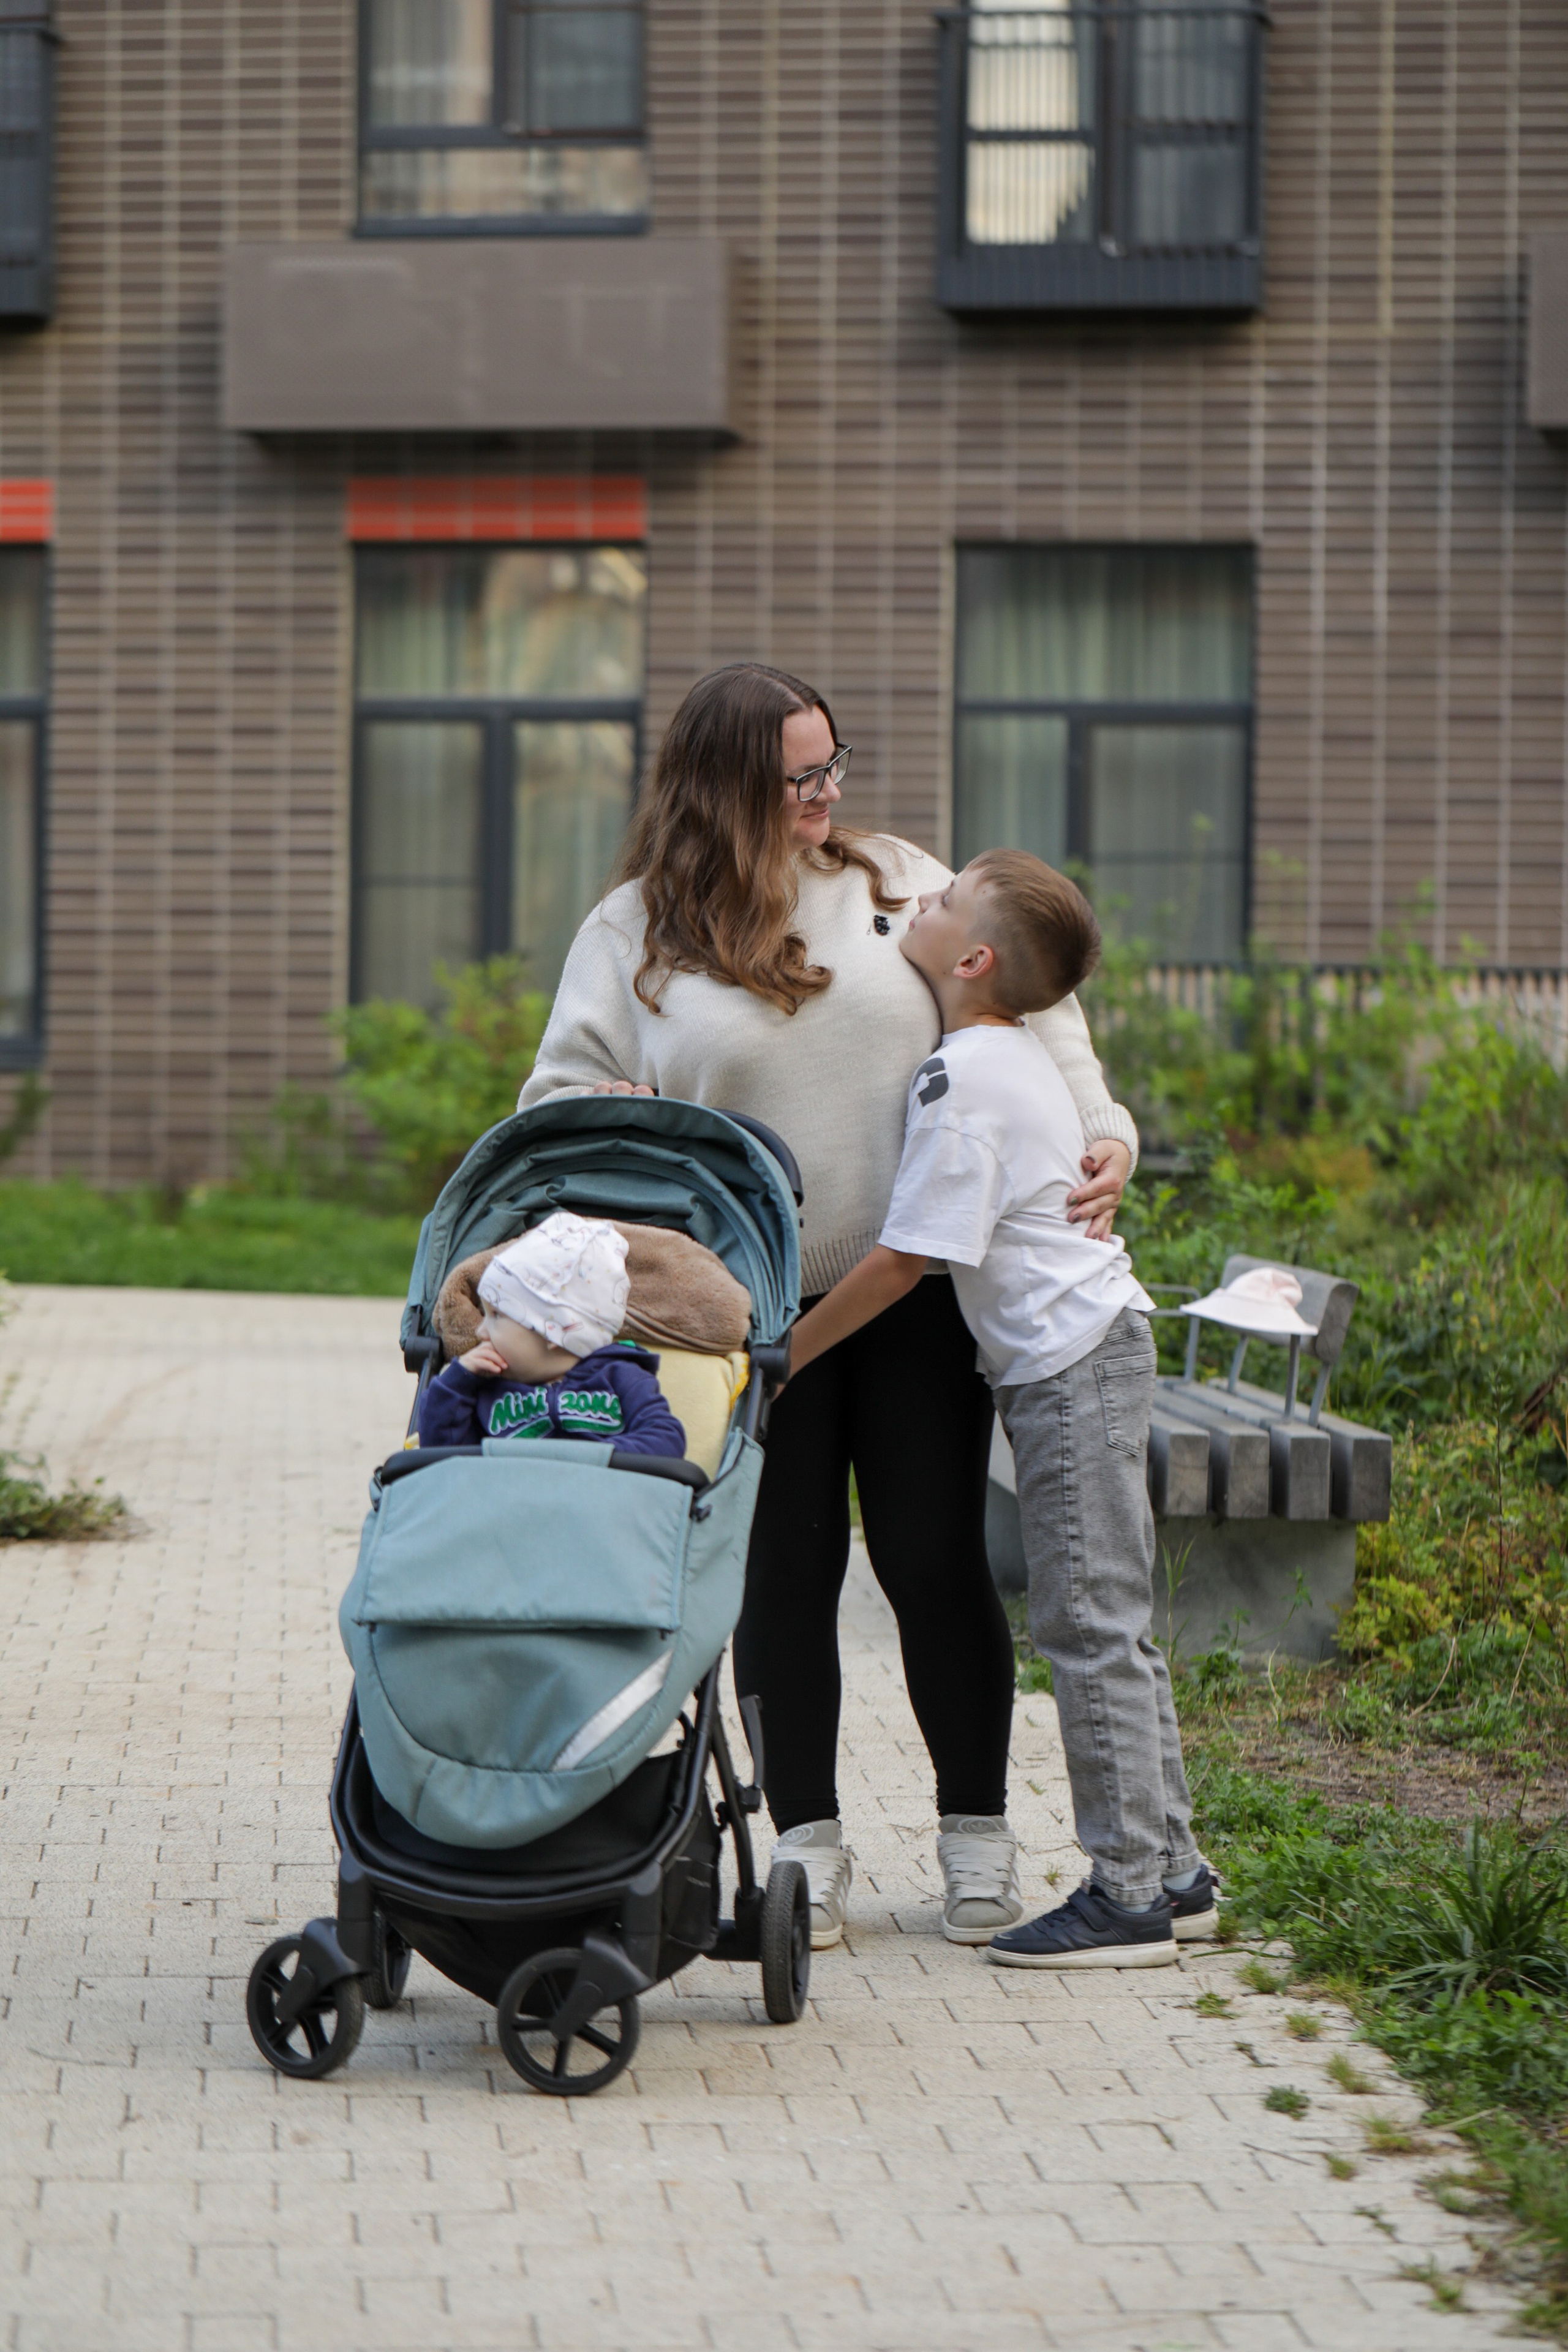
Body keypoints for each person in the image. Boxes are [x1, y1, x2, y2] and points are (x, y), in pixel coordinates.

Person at [518, 663, 1138, 1948]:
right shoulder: (632, 932)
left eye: (832, 764)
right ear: (730, 782)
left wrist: (1103, 1131)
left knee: (930, 1560)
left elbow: (1040, 1002)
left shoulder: (899, 881)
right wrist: (621, 1124)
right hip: (742, 1311)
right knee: (781, 1575)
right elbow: (551, 1107)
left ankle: (976, 1841)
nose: (828, 792)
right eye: (801, 775)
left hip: (909, 1292)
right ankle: (804, 1851)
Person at [788, 850, 1218, 1967]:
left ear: (971, 958)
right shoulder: (996, 1052)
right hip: (1088, 1352)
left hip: (1071, 1367)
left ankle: (1127, 1897)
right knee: (1109, 1618)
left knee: (1086, 1625)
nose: (914, 905)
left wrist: (785, 1356)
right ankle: (1172, 1870)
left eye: (936, 904)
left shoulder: (964, 1079)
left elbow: (894, 1265)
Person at [417, 1211, 687, 1460]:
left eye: (496, 1315)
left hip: (599, 1500)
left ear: (554, 1330)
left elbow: (665, 1441)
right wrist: (456, 1383)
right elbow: (445, 1456)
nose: (480, 1330)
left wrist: (593, 1459)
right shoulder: (485, 1390)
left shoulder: (622, 1378)